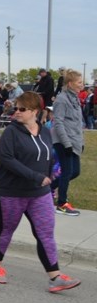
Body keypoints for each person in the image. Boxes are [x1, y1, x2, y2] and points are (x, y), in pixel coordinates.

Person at [0, 92, 81, 292]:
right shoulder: (11, 132)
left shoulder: (45, 132)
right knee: (6, 229)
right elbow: (8, 160)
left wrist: (51, 177)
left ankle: (55, 277)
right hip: (9, 191)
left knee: (45, 233)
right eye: (16, 108)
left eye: (22, 109)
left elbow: (49, 157)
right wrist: (36, 176)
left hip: (39, 193)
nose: (17, 112)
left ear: (35, 112)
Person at [50, 69, 84, 216]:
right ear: (70, 84)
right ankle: (62, 204)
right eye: (79, 82)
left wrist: (79, 142)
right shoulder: (62, 99)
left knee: (75, 171)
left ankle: (47, 188)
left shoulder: (75, 98)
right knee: (67, 171)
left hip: (74, 142)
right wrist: (67, 143)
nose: (81, 85)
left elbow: (76, 123)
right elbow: (58, 123)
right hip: (63, 141)